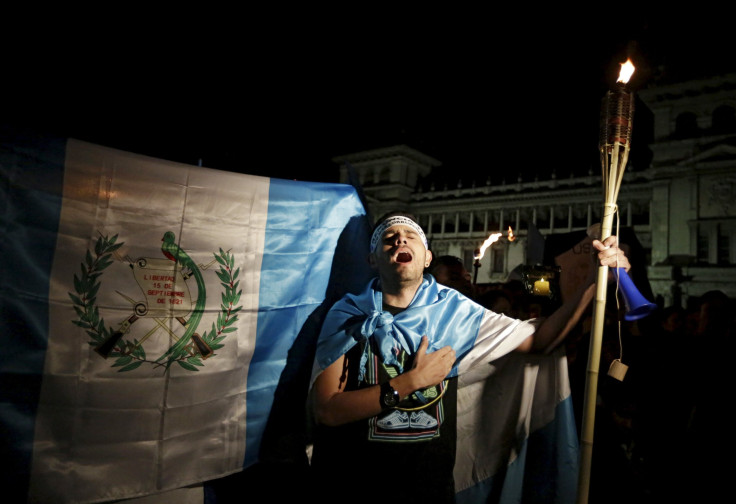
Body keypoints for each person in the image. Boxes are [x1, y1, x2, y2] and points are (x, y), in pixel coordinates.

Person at [309, 212, 629, 503]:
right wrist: (411, 382)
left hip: (429, 485)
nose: (400, 239)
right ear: (373, 260)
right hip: (355, 482)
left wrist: (594, 282)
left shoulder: (456, 312)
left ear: (427, 258)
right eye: (388, 237)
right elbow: (327, 410)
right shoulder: (349, 313)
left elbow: (539, 339)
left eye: (411, 235)